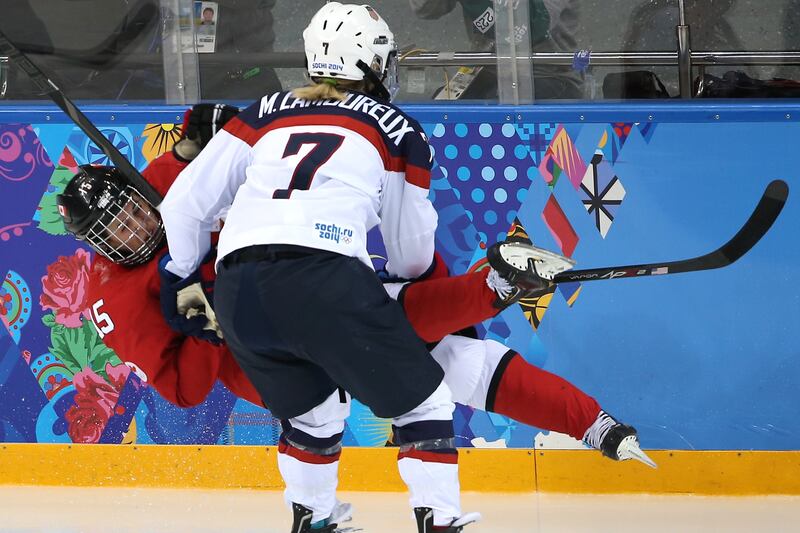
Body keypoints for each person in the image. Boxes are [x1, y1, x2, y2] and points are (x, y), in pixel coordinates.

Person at [59, 119, 652, 533]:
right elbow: (184, 391)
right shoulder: (113, 303)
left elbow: (211, 145)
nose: (135, 230)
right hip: (257, 352)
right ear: (95, 247)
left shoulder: (166, 186)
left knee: (449, 363)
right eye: (114, 232)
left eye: (131, 211)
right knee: (383, 333)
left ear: (137, 193)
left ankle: (592, 423)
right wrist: (206, 332)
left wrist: (198, 135)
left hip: (290, 291)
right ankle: (492, 286)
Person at [159, 3, 481, 531]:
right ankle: (440, 521)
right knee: (424, 403)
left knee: (312, 414)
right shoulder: (398, 129)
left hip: (239, 286)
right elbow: (411, 254)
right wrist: (412, 294)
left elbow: (183, 206)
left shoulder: (262, 111)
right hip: (324, 276)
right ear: (373, 63)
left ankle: (313, 520)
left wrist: (184, 277)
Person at [409, 0, 583, 100]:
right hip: (486, 69)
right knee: (442, 109)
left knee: (497, 108)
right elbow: (426, 10)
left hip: (549, 73)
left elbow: (532, 27)